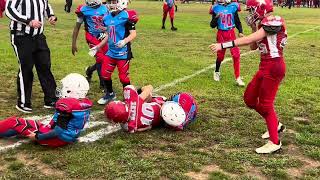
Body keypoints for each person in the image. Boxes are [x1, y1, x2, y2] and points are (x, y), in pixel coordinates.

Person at [209, 0, 287, 154]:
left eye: (252, 9)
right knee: (249, 99)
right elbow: (254, 46)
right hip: (265, 66)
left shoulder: (274, 20)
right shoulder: (263, 24)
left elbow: (249, 40)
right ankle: (275, 125)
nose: (251, 13)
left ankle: (275, 141)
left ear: (261, 8)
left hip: (274, 66)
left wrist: (223, 45)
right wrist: (253, 26)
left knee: (266, 104)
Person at [0, 73, 92, 147]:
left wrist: (38, 137)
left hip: (55, 139)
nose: (61, 88)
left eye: (64, 87)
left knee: (14, 122)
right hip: (67, 137)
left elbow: (58, 130)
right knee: (20, 127)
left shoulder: (67, 105)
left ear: (71, 90)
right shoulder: (83, 104)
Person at [5, 0, 58, 113]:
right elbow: (9, 10)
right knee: (26, 68)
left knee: (45, 66)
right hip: (21, 35)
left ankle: (51, 99)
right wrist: (28, 21)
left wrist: (51, 15)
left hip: (39, 36)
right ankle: (24, 102)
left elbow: (45, 5)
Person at [91, 0, 138, 105]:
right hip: (111, 52)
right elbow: (109, 34)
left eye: (114, 1)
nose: (111, 4)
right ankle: (110, 94)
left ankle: (128, 97)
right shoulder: (108, 17)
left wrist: (125, 41)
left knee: (123, 77)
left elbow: (133, 34)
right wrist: (98, 46)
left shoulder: (127, 16)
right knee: (104, 74)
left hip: (123, 52)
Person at [105, 85, 198, 133]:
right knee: (183, 97)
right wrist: (140, 93)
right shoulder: (134, 101)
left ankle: (182, 118)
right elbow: (149, 87)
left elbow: (147, 127)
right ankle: (186, 113)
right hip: (161, 104)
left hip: (160, 122)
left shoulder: (129, 127)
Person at [72, 0, 109, 89]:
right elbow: (77, 27)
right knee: (100, 58)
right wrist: (73, 43)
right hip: (92, 36)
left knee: (106, 59)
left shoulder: (106, 7)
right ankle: (103, 84)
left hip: (104, 35)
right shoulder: (83, 10)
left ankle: (89, 70)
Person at [209, 0, 245, 86]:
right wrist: (216, 17)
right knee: (220, 56)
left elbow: (237, 21)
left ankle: (237, 77)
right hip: (221, 34)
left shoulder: (233, 6)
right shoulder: (216, 8)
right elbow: (212, 25)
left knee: (236, 55)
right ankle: (217, 71)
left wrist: (240, 31)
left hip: (231, 33)